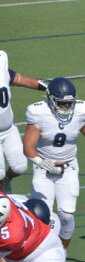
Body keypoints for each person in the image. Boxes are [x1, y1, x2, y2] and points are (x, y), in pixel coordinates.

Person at [23, 77, 85, 249]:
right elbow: (28, 147)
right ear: (51, 100)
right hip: (44, 169)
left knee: (66, 216)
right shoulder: (39, 113)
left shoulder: (81, 111)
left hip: (68, 168)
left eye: (69, 103)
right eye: (61, 103)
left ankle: (61, 253)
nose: (66, 107)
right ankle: (40, 252)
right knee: (43, 216)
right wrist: (40, 161)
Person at [0, 50, 48, 193]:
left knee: (20, 167)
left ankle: (7, 180)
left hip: (8, 129)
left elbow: (21, 80)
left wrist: (47, 88)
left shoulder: (3, 70)